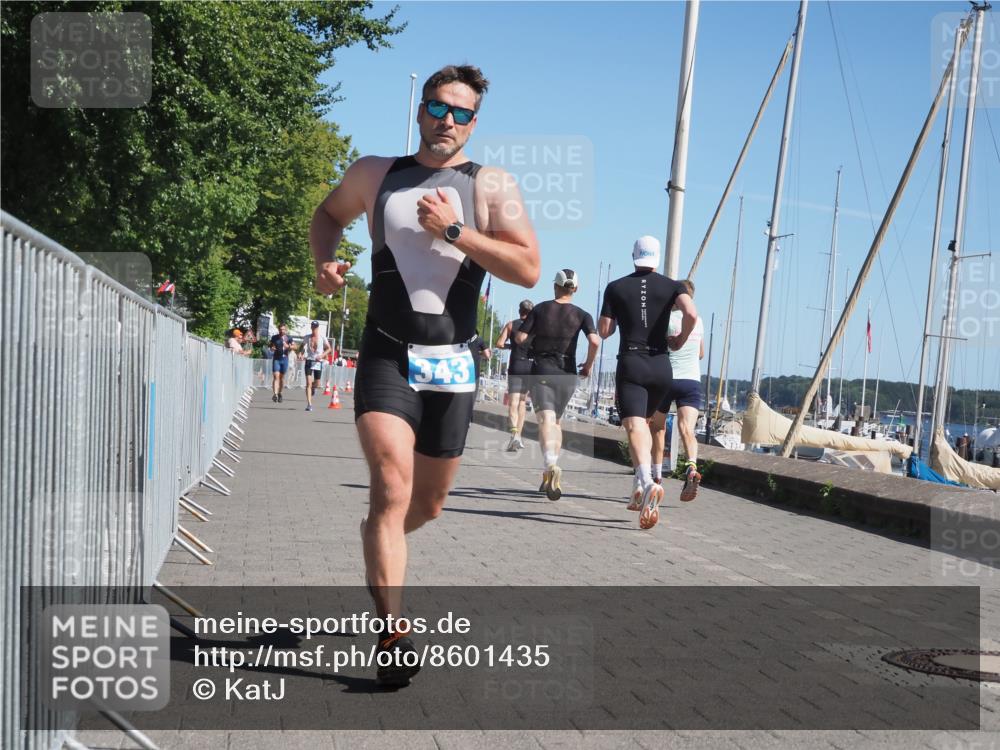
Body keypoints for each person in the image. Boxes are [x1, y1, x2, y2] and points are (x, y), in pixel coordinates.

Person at [308, 64, 539, 687]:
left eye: (462, 113)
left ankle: (379, 538)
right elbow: (326, 216)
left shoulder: (491, 185)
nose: (447, 121)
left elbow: (527, 269)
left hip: (453, 362)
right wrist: (325, 263)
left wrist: (456, 231)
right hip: (386, 354)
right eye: (438, 107)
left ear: (474, 124)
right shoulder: (374, 174)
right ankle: (392, 634)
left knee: (426, 506)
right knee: (391, 484)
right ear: (420, 110)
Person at [598, 237, 697, 530]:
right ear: (657, 257)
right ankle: (637, 488)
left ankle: (647, 480)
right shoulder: (673, 286)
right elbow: (691, 313)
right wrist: (680, 339)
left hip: (632, 363)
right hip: (661, 366)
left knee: (635, 426)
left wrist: (618, 313)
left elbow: (604, 330)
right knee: (645, 425)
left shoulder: (616, 287)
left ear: (633, 255)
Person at [515, 270, 599, 501]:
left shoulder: (540, 309)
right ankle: (550, 471)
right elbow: (594, 341)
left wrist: (534, 336)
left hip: (542, 368)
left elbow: (520, 338)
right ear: (575, 289)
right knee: (557, 422)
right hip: (567, 372)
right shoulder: (582, 314)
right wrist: (588, 365)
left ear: (555, 286)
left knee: (546, 419)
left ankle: (550, 465)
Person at [650, 278, 704, 507]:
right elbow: (700, 353)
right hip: (691, 380)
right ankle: (691, 466)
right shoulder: (698, 321)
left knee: (658, 427)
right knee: (687, 430)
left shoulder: (667, 319)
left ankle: (656, 477)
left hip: (667, 379)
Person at [495, 300, 534, 451]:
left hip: (516, 365)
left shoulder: (511, 325)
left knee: (513, 402)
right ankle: (519, 436)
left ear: (519, 311)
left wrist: (511, 346)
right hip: (529, 366)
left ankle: (514, 435)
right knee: (522, 402)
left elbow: (499, 343)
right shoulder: (536, 327)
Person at [303, 321, 333, 411]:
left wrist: (322, 356)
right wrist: (301, 353)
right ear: (311, 327)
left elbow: (329, 348)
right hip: (309, 360)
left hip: (318, 362)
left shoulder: (322, 337)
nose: (314, 329)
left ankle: (313, 387)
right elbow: (302, 346)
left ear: (318, 328)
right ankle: (309, 404)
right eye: (313, 327)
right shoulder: (307, 337)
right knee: (308, 383)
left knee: (317, 383)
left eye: (315, 327)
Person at [269, 324, 294, 403]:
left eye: (283, 329)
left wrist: (288, 347)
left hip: (285, 359)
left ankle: (280, 393)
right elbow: (271, 346)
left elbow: (295, 347)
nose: (281, 331)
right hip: (276, 359)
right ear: (278, 329)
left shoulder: (289, 338)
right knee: (276, 376)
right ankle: (275, 394)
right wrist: (272, 348)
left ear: (285, 330)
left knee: (281, 378)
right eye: (280, 329)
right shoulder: (274, 337)